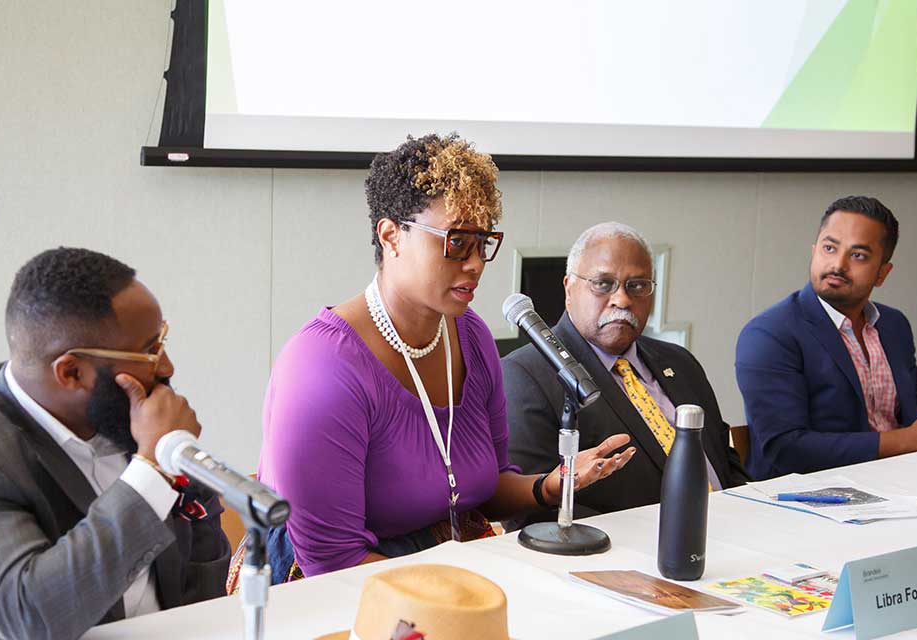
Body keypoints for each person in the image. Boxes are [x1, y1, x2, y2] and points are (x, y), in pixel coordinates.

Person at [258, 134, 636, 580]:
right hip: (338, 590)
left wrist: (553, 484)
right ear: (391, 236)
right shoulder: (323, 368)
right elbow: (332, 564)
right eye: (457, 242)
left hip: (444, 566)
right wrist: (459, 598)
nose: (475, 263)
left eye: (483, 243)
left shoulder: (470, 335)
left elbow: (485, 486)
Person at [0, 248, 230, 640]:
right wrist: (152, 471)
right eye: (149, 350)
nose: (167, 367)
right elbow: (32, 617)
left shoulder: (126, 409)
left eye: (161, 341)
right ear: (72, 372)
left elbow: (203, 554)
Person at [504, 222, 748, 523]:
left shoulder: (681, 362)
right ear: (569, 288)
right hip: (625, 556)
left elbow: (724, 461)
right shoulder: (526, 375)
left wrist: (743, 519)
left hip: (733, 537)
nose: (622, 300)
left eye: (637, 285)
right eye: (603, 284)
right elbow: (533, 513)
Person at [736, 196, 917, 480]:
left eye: (858, 255)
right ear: (814, 251)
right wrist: (908, 441)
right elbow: (786, 449)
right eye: (829, 248)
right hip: (807, 500)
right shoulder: (769, 333)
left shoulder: (894, 325)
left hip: (900, 487)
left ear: (882, 273)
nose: (838, 264)